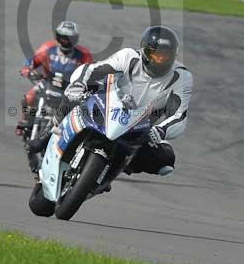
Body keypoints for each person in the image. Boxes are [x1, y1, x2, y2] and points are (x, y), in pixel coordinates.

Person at [28, 25, 192, 179]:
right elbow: (91, 69)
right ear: (143, 51)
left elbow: (180, 115)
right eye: (154, 55)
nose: (159, 60)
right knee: (73, 95)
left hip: (141, 126)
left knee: (166, 159)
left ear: (174, 56)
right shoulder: (129, 56)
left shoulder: (181, 77)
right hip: (107, 103)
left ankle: (118, 168)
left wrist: (161, 130)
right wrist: (78, 84)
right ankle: (47, 133)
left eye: (165, 56)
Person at [17, 21, 93, 135]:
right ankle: (25, 120)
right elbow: (34, 59)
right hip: (47, 82)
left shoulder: (83, 54)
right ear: (57, 36)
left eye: (69, 38)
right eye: (62, 37)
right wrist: (27, 68)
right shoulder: (48, 47)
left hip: (69, 87)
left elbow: (91, 70)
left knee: (78, 111)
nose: (65, 40)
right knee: (28, 98)